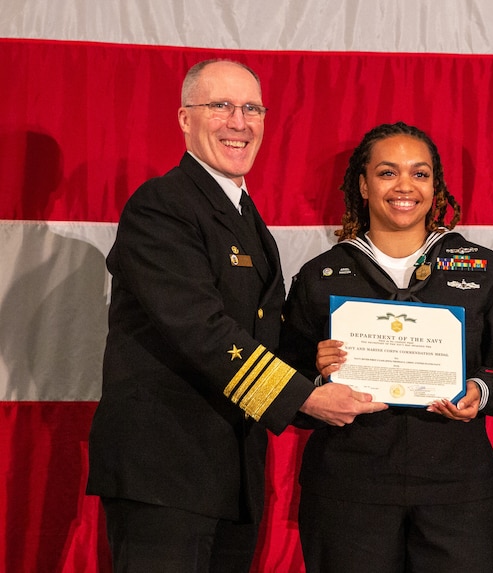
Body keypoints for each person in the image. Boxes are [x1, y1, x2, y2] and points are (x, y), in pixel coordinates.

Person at [86, 59, 387, 573]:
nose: (238, 121)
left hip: (231, 473)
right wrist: (306, 397)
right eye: (220, 106)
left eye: (252, 108)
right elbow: (201, 332)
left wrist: (318, 362)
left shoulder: (245, 216)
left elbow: (263, 333)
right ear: (185, 119)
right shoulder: (162, 206)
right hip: (166, 474)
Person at [279, 121, 493, 573]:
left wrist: (480, 392)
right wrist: (318, 378)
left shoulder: (481, 267)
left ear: (435, 187)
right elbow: (283, 385)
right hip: (349, 491)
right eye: (387, 173)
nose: (405, 186)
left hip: (456, 492)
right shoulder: (321, 275)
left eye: (419, 174)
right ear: (362, 185)